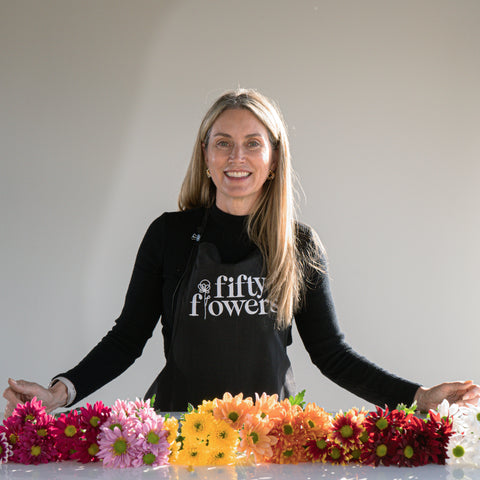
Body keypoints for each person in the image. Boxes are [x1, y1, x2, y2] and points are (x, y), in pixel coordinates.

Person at [4, 89, 480, 417]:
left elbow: (333, 355)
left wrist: (420, 398)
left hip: (271, 438)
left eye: (253, 144)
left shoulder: (299, 244)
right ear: (206, 156)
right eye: (223, 144)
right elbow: (127, 339)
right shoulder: (168, 235)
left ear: (273, 161)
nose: (237, 157)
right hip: (178, 433)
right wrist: (59, 392)